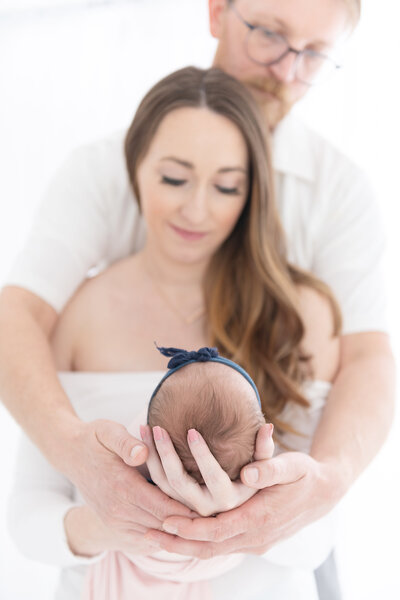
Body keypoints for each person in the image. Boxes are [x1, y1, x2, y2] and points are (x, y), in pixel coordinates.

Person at [1, 0, 395, 596]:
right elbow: (17, 319)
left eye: (314, 54)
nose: (288, 69)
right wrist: (98, 492)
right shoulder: (85, 289)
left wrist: (317, 487)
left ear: (253, 193)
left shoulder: (312, 281)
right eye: (268, 33)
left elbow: (368, 360)